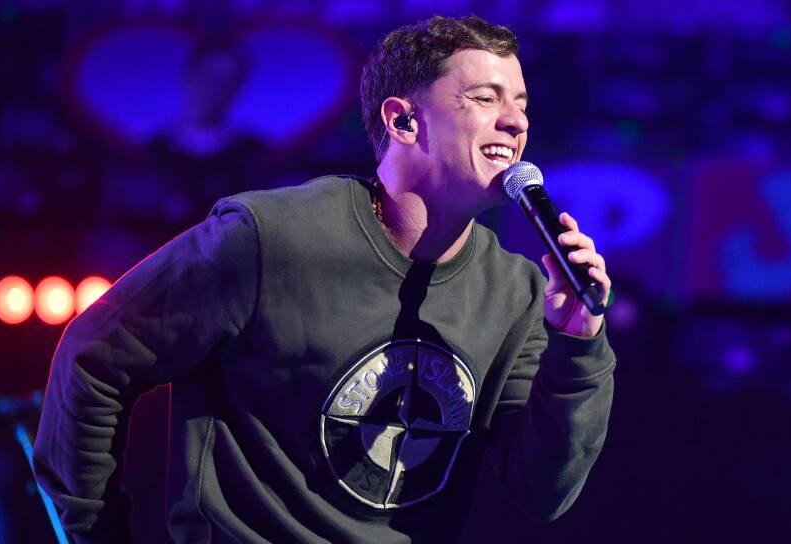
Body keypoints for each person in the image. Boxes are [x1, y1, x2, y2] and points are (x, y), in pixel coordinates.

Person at [33, 15, 615, 543]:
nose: (515, 121)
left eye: (521, 104)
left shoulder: (517, 292)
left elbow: (543, 492)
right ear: (404, 120)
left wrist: (578, 344)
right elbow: (93, 358)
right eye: (485, 98)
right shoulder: (270, 239)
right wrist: (97, 534)